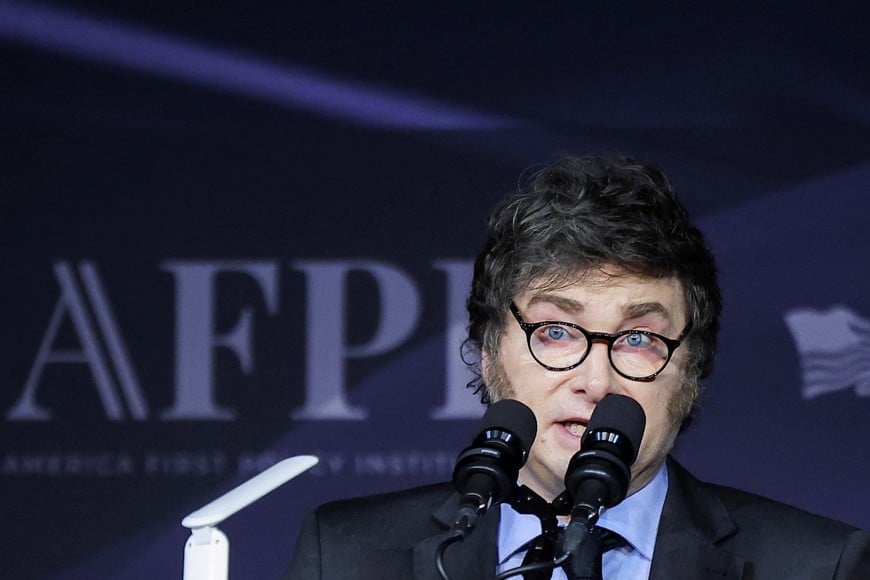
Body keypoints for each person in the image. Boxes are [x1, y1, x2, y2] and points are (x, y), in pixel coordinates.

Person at [285, 154, 870, 579]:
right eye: (557, 331)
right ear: (489, 351)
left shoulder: (818, 566)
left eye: (638, 337)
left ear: (691, 371)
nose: (597, 381)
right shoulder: (344, 556)